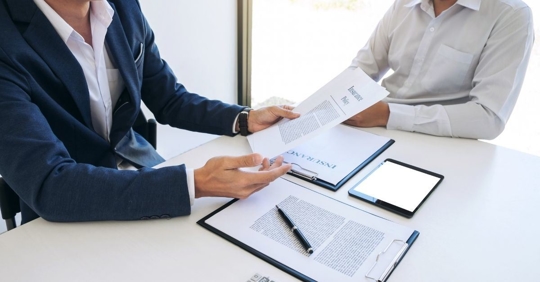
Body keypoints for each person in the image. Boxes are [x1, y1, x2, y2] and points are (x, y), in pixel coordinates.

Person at [0, 0, 300, 224]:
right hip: (67, 211)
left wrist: (244, 119)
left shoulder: (123, 7)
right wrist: (195, 183)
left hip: (143, 175)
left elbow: (169, 98)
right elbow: (52, 184)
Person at [344, 0, 534, 140]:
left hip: (442, 142)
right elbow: (360, 72)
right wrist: (335, 104)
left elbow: (488, 118)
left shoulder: (511, 14)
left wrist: (388, 115)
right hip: (374, 129)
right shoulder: (403, 4)